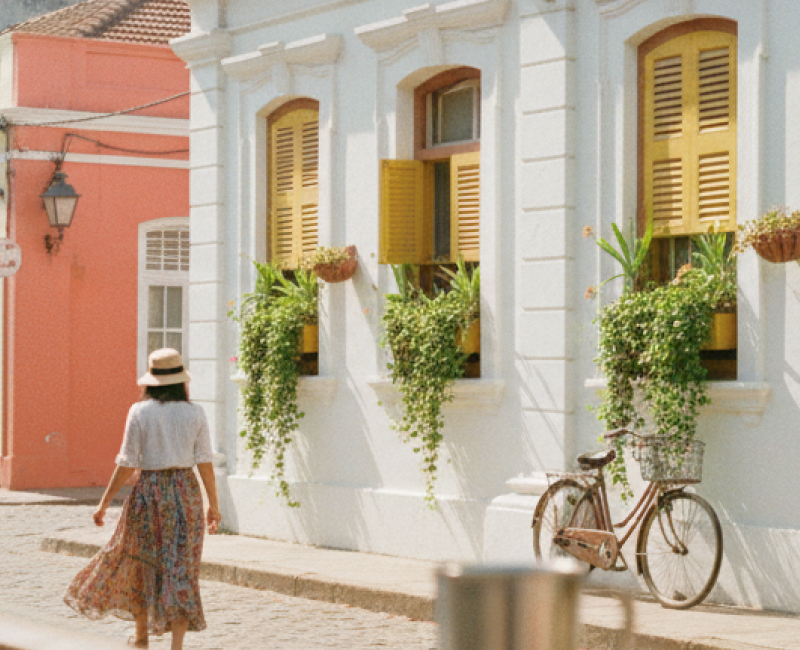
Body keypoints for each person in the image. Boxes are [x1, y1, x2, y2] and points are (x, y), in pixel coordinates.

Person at [64, 348, 222, 650]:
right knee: (182, 568)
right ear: (181, 380)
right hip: (185, 493)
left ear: (151, 381)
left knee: (140, 562)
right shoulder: (195, 413)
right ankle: (176, 645)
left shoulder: (140, 411)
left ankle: (141, 637)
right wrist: (213, 504)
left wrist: (104, 502)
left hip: (149, 493)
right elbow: (204, 462)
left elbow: (126, 463)